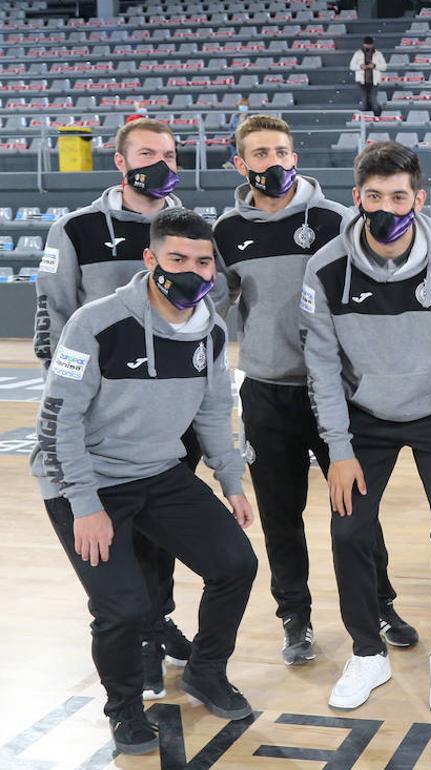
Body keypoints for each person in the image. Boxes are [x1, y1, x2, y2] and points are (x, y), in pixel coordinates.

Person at [32, 207, 258, 756]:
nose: (192, 271)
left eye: (203, 262)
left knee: (236, 564)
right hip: (83, 480)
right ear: (150, 259)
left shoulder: (212, 328)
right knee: (123, 608)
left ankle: (206, 671)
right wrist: (84, 505)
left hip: (158, 472)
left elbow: (212, 412)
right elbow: (56, 421)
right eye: (177, 258)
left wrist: (231, 480)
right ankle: (125, 709)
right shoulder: (97, 322)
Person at [213, 114, 414, 666]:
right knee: (280, 516)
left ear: (294, 155)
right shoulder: (227, 231)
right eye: (259, 154)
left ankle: (380, 604)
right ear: (241, 163)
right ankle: (294, 617)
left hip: (337, 393)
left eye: (281, 151)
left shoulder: (335, 218)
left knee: (356, 513)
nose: (272, 162)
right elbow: (210, 308)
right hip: (266, 392)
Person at [300, 141, 431, 714]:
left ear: (420, 199)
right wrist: (338, 449)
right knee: (349, 530)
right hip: (364, 418)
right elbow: (322, 367)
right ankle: (367, 654)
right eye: (375, 196)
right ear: (356, 198)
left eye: (399, 196)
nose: (387, 207)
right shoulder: (326, 267)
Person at [34, 117, 212, 701]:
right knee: (115, 538)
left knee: (163, 536)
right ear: (120, 161)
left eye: (168, 154)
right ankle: (131, 638)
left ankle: (156, 624)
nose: (160, 163)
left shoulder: (186, 232)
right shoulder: (77, 228)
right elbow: (52, 319)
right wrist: (72, 403)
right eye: (146, 153)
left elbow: (212, 307)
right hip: (100, 420)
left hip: (168, 416)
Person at [349, 36, 386, 118]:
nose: (368, 47)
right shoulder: (357, 54)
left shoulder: (378, 54)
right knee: (364, 100)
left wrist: (374, 66)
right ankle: (366, 117)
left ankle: (378, 116)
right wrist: (360, 66)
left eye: (369, 45)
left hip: (374, 81)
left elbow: (384, 67)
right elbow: (352, 66)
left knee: (373, 99)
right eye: (366, 45)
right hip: (361, 80)